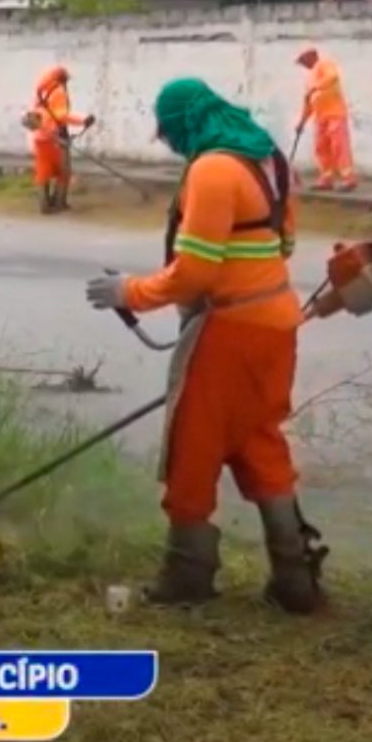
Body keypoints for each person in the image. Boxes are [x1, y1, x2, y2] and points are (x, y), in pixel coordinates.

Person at [83, 78, 327, 616]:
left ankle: (188, 573)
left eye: (169, 132)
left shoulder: (213, 170)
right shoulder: (269, 160)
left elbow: (193, 273)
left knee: (194, 446)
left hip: (229, 332)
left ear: (185, 122)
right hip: (275, 323)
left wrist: (129, 291)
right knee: (258, 441)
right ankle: (295, 580)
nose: (169, 142)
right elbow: (281, 244)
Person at [30, 65, 95, 212]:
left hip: (40, 137)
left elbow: (35, 114)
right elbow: (62, 116)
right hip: (56, 138)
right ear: (63, 80)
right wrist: (83, 120)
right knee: (63, 171)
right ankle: (59, 203)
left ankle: (44, 205)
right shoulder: (58, 92)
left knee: (43, 170)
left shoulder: (41, 90)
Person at [297, 46, 357, 192]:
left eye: (303, 60)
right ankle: (326, 178)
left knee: (339, 146)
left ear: (311, 57)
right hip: (320, 117)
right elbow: (309, 103)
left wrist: (316, 87)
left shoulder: (325, 65)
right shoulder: (310, 77)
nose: (303, 64)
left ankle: (348, 179)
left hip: (335, 114)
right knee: (321, 148)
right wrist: (302, 122)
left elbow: (333, 77)